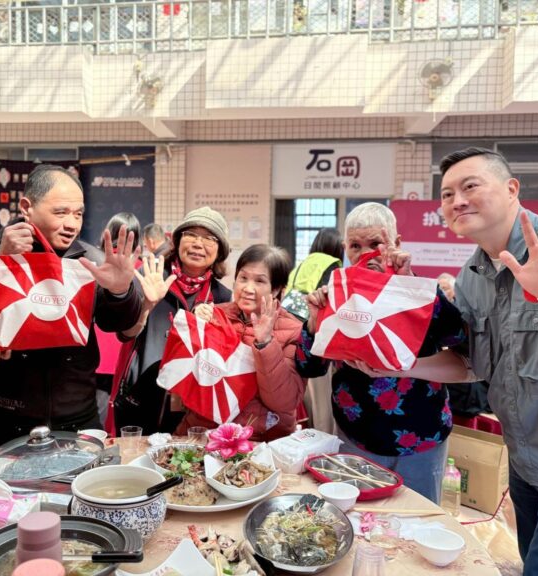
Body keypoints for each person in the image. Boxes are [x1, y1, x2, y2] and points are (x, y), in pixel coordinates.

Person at [438, 147, 538, 575]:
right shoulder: (472, 276)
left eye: (470, 186)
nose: (457, 201)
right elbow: (470, 364)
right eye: (447, 194)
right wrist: (395, 366)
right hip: (524, 469)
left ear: (511, 189)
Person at [0, 164, 143, 457]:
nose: (71, 224)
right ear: (26, 207)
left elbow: (119, 325)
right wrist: (3, 263)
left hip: (76, 416)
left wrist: (121, 290)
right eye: (61, 212)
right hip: (3, 417)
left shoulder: (88, 259)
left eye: (78, 214)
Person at [304, 202, 469, 503]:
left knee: (420, 518)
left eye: (375, 244)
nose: (365, 253)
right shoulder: (339, 293)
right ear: (345, 248)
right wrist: (314, 324)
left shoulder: (415, 289)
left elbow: (456, 335)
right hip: (356, 436)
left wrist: (411, 282)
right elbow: (310, 366)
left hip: (421, 436)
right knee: (359, 518)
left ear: (396, 244)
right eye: (355, 245)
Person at [113, 207, 232, 434]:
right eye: (191, 234)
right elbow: (125, 333)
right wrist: (146, 305)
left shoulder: (222, 297)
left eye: (209, 238)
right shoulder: (152, 277)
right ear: (177, 241)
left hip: (193, 407)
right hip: (142, 397)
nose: (198, 243)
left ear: (220, 251)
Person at [183, 244, 305, 440]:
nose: (248, 288)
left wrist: (265, 343)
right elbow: (188, 379)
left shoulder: (294, 330)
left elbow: (283, 402)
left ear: (276, 289)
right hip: (205, 429)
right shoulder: (216, 313)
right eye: (243, 278)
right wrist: (194, 324)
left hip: (261, 438)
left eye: (259, 281)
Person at [282, 227, 344, 433]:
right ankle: (322, 439)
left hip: (291, 332)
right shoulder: (332, 264)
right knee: (321, 401)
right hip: (314, 333)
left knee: (305, 396)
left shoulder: (302, 264)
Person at [94, 212, 142, 427]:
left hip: (95, 348)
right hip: (123, 351)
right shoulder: (139, 266)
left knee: (96, 410)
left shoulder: (97, 259)